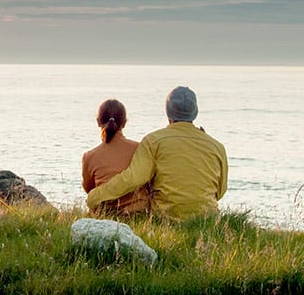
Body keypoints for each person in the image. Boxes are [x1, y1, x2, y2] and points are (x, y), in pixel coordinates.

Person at [86, 86, 228, 220]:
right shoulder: (217, 146)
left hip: (166, 218)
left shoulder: (153, 141)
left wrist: (95, 196)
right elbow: (220, 191)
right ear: (195, 112)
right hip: (207, 218)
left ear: (168, 112)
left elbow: (133, 179)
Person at [81, 99, 151, 216]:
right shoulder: (139, 149)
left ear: (98, 122)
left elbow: (89, 189)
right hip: (138, 213)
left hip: (105, 214)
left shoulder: (89, 156)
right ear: (124, 123)